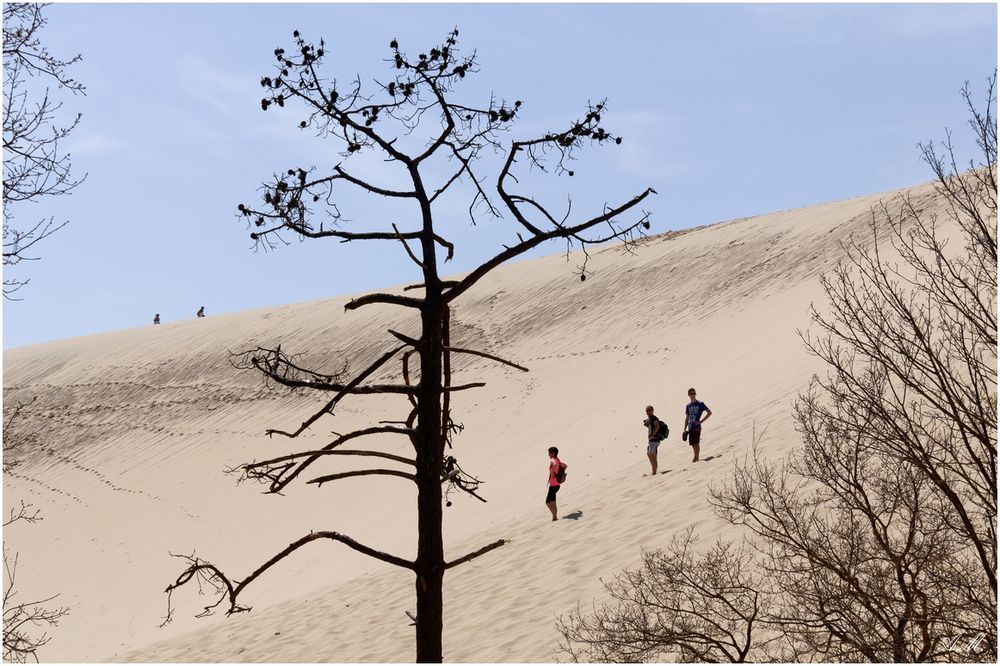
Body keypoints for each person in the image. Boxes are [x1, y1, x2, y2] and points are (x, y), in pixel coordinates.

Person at [682, 388, 712, 462]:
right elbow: (687, 418)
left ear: (695, 394)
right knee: (692, 443)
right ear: (688, 395)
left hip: (697, 426)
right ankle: (695, 457)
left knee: (696, 442)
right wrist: (684, 429)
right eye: (691, 393)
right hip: (690, 426)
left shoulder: (700, 403)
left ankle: (696, 458)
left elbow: (709, 412)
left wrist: (701, 421)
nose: (692, 395)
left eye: (694, 393)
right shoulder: (688, 406)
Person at [643, 405, 663, 475]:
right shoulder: (650, 418)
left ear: (653, 411)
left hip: (654, 440)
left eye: (649, 410)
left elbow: (657, 426)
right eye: (647, 410)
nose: (648, 412)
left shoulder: (654, 418)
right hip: (652, 441)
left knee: (653, 456)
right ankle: (653, 470)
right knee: (649, 454)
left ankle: (654, 473)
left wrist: (652, 435)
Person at [546, 446, 563, 522]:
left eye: (549, 453)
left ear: (553, 453)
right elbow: (565, 466)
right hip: (556, 484)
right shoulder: (558, 460)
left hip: (553, 485)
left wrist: (554, 471)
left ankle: (554, 516)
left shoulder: (553, 460)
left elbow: (554, 464)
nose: (548, 455)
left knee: (548, 502)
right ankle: (554, 516)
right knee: (551, 501)